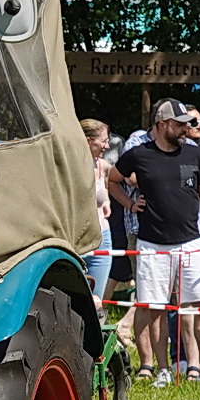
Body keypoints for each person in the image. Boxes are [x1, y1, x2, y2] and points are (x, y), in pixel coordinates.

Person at [113, 98, 200, 387]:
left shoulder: (197, 154)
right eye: (180, 124)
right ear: (162, 125)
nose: (186, 128)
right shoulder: (138, 154)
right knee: (155, 308)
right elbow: (113, 179)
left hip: (193, 242)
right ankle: (162, 369)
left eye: (188, 123)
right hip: (152, 244)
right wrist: (130, 204)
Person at [80, 119, 115, 299]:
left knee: (96, 300)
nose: (107, 146)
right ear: (87, 141)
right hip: (76, 240)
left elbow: (108, 185)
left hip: (102, 238)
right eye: (103, 141)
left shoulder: (102, 165)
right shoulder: (69, 167)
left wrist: (106, 200)